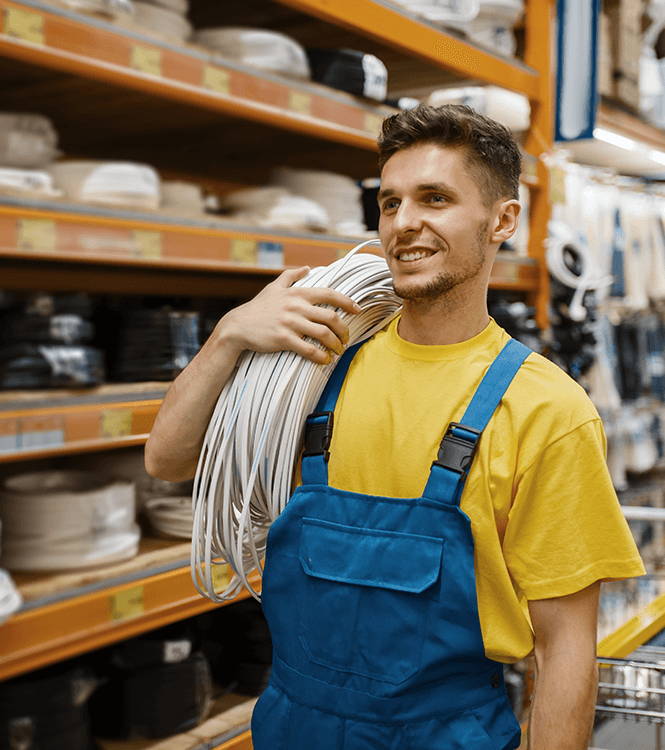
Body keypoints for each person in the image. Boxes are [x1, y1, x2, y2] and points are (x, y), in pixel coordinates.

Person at [145, 104, 645, 750]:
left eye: (434, 198)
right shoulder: (314, 368)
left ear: (503, 220)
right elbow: (166, 459)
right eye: (389, 203)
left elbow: (565, 654)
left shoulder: (546, 411)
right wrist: (230, 335)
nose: (404, 223)